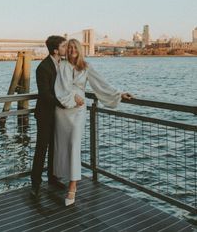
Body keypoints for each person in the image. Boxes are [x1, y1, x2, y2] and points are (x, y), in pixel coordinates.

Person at [53, 38, 132, 206]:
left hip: (78, 111)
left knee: (75, 144)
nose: (72, 50)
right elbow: (60, 87)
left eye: (75, 47)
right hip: (63, 109)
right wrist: (72, 97)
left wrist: (118, 94)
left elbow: (101, 84)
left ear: (80, 49)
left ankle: (72, 186)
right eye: (70, 47)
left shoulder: (86, 67)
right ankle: (62, 175)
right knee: (63, 145)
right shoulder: (63, 66)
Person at [30, 35, 67, 198]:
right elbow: (44, 94)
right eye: (64, 46)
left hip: (58, 114)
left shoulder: (63, 65)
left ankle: (52, 178)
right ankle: (35, 184)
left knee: (55, 146)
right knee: (41, 148)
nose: (67, 49)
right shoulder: (43, 67)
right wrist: (63, 103)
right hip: (45, 114)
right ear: (55, 50)